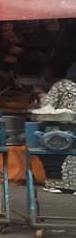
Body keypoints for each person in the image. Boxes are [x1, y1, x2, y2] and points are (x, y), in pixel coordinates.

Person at [42, 62, 76, 192]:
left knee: (62, 155)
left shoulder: (61, 86)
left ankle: (61, 184)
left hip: (64, 131)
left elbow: (47, 106)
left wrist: (40, 96)